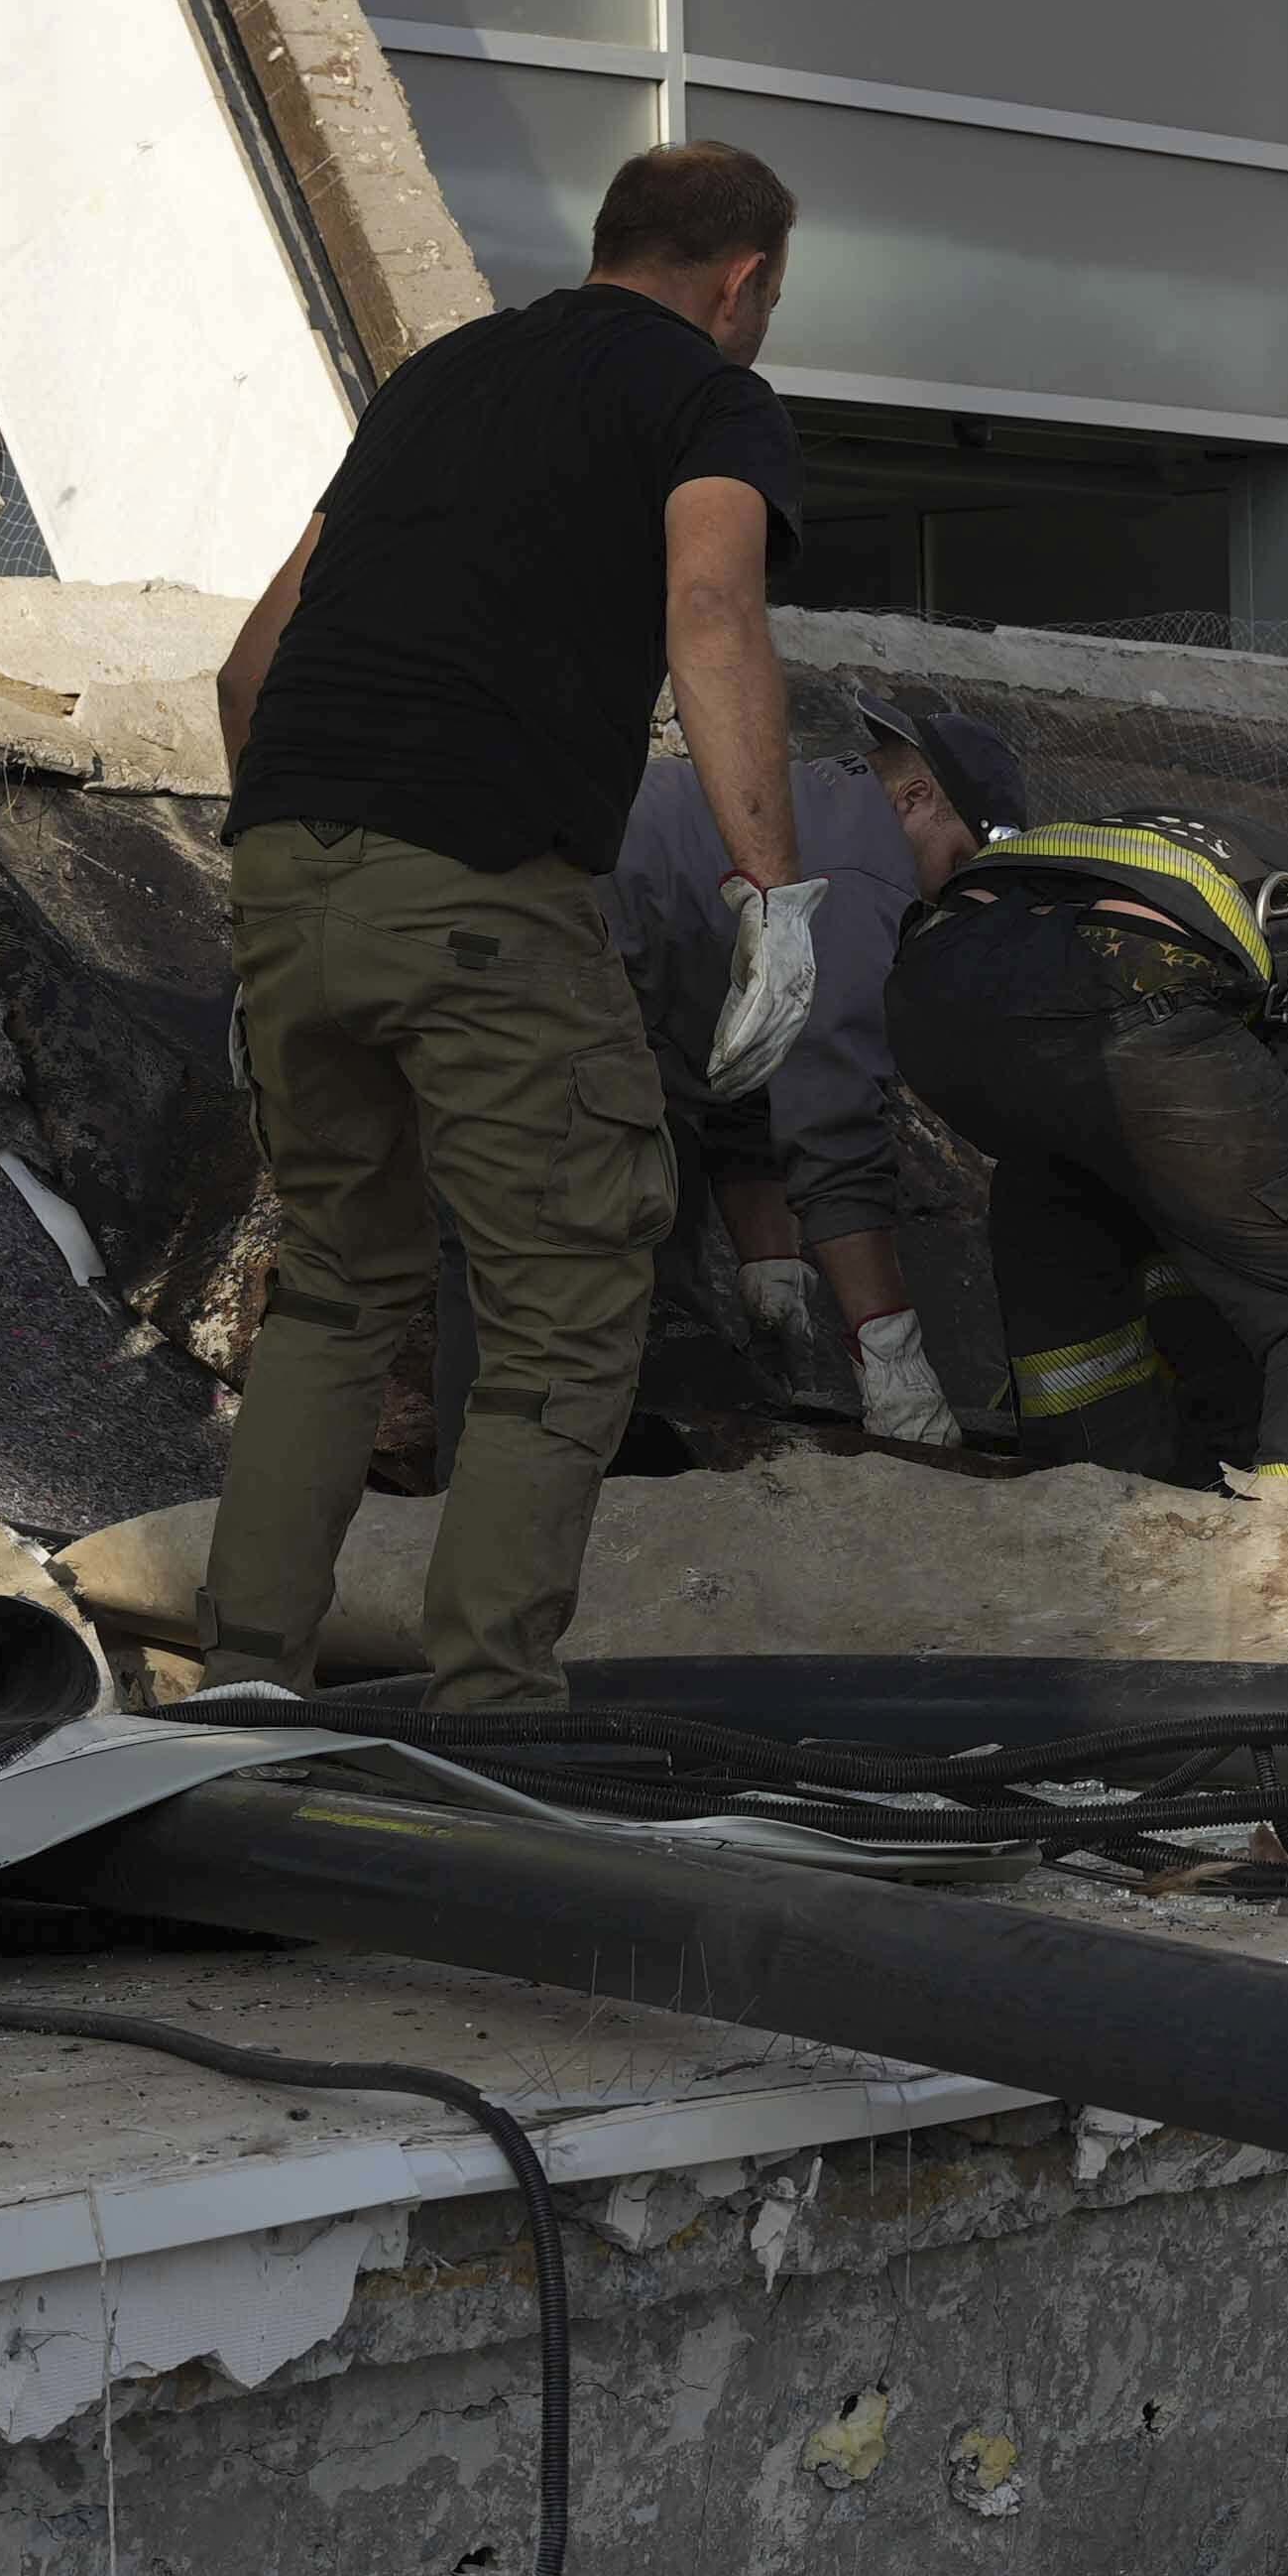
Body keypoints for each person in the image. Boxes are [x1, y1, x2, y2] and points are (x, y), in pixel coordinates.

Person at [197, 141, 826, 1708]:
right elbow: (711, 611)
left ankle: (243, 1685)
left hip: (290, 860)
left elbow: (245, 668)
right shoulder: (704, 393)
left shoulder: (439, 379)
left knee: (341, 1288)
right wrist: (771, 889)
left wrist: (293, 885)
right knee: (563, 1302)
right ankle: (491, 1718)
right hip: (482, 888)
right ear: (743, 282)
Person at [883, 808, 1288, 1508]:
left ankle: (1085, 1518)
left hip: (936, 985)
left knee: (1074, 1207)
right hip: (1129, 973)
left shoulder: (1282, 871)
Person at [621, 693, 1015, 1446]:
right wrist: (891, 1356)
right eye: (959, 861)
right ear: (915, 797)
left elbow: (744, 1080)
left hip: (583, 969)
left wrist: (774, 1283)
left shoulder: (806, 805)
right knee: (597, 1242)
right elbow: (832, 1127)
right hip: (556, 962)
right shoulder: (859, 873)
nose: (947, 894)